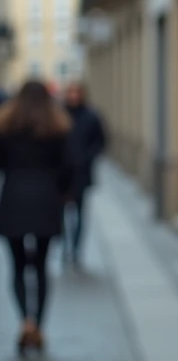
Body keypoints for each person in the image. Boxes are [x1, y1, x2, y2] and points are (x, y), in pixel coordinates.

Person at [0, 81, 75, 355]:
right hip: (46, 199)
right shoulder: (57, 127)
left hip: (14, 199)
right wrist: (63, 192)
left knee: (18, 266)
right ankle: (40, 325)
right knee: (42, 267)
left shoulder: (6, 126)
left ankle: (25, 321)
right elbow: (69, 165)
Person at [63, 81, 107, 266]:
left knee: (80, 212)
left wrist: (87, 157)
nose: (74, 96)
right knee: (61, 214)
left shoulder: (91, 116)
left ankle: (76, 249)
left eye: (77, 92)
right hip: (62, 173)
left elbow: (100, 141)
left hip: (81, 172)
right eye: (71, 92)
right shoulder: (59, 115)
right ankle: (65, 247)